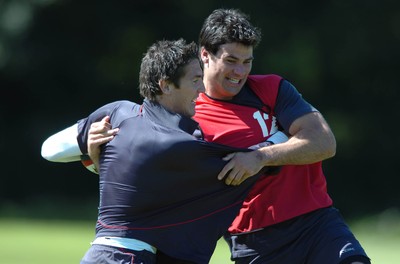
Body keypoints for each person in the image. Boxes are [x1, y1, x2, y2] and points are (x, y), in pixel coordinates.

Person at [86, 8, 371, 264]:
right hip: (253, 241)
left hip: (317, 223)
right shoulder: (186, 115)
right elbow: (145, 173)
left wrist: (259, 157)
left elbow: (324, 142)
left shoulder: (271, 89)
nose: (240, 72)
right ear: (205, 55)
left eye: (247, 62)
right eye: (231, 60)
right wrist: (95, 151)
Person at [41, 39, 284, 264]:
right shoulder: (180, 145)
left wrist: (97, 158)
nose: (202, 89)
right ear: (166, 85)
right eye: (195, 80)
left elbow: (49, 150)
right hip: (130, 257)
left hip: (99, 254)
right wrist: (271, 144)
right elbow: (250, 160)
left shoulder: (117, 114)